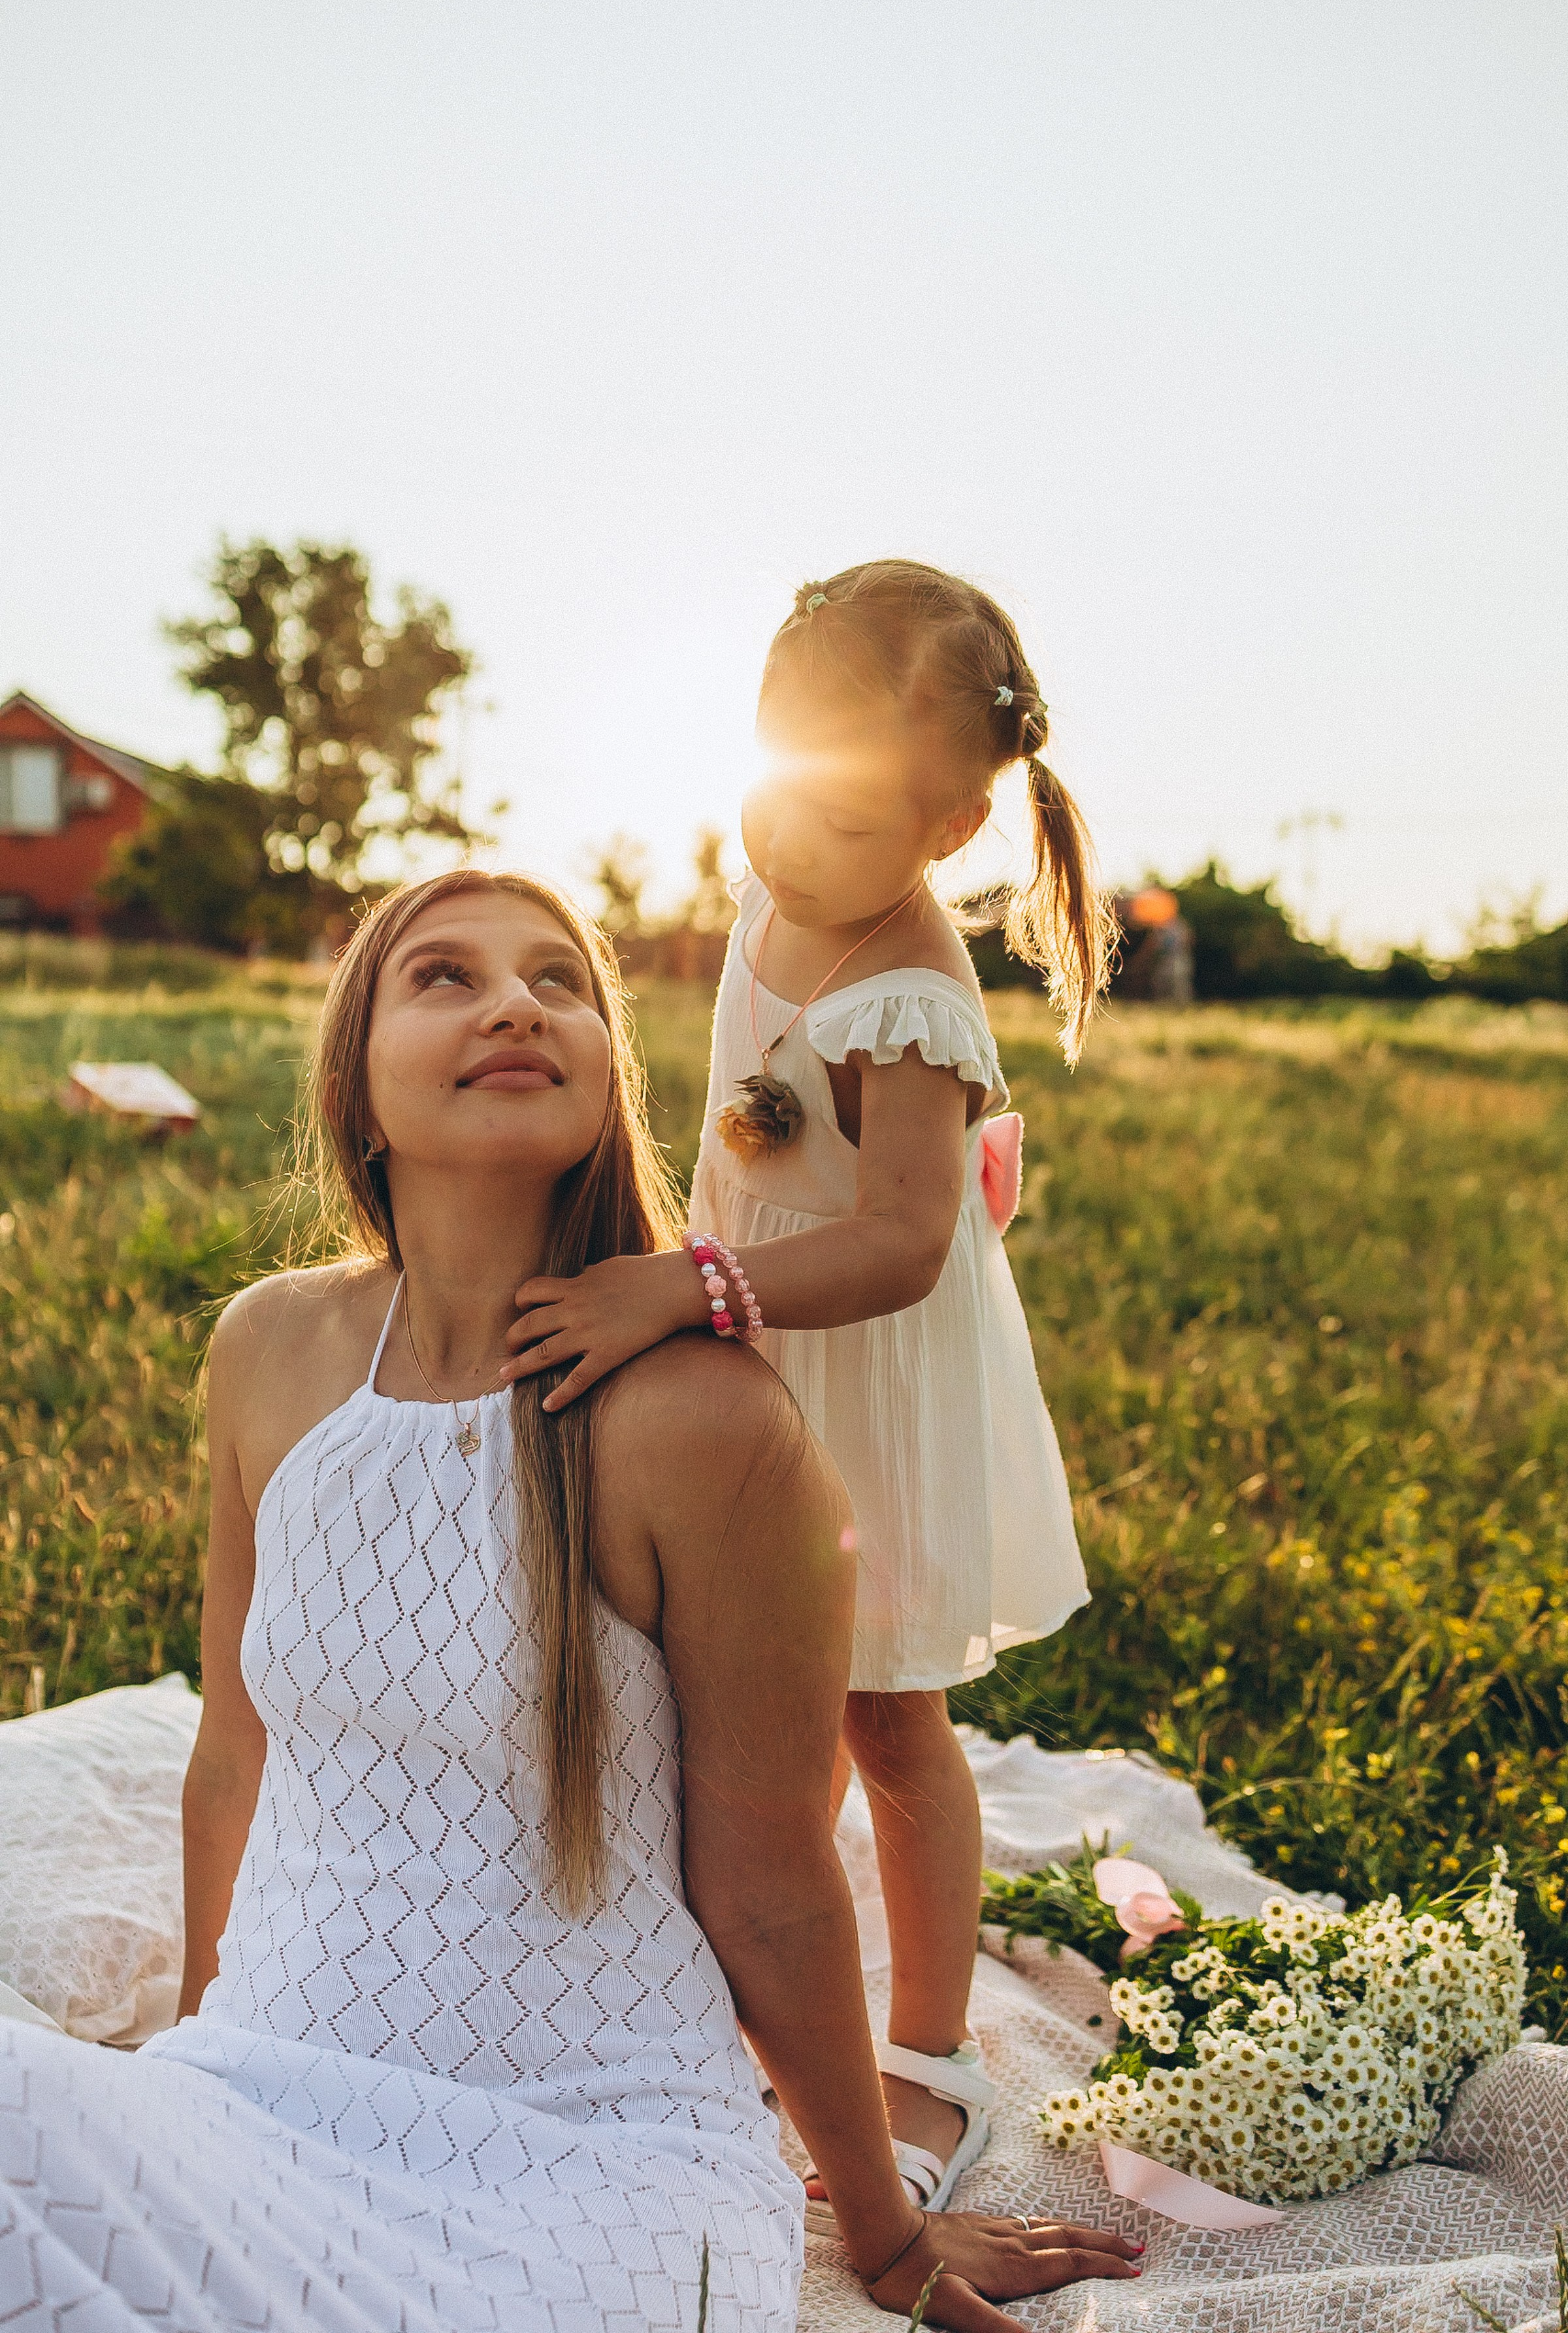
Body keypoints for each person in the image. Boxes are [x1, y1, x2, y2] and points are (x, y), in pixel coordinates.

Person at [0, 869, 1139, 2330]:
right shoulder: (269, 1350)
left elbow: (774, 1887)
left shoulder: (702, 1423)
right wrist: (195, 2068)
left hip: (585, 2167)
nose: (513, 1005)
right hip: (259, 2092)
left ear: (609, 1083)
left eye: (558, 982)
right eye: (445, 978)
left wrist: (885, 2235)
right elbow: (235, 1756)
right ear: (355, 1086)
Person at [502, 562, 1113, 2231]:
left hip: (865, 1383)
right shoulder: (780, 893)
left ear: (947, 833)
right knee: (761, 1704)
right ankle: (771, 1991)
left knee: (887, 1719)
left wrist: (695, 1288)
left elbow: (909, 1240)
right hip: (755, 1346)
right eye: (781, 791)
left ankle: (925, 2050)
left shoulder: (911, 992)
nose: (789, 846)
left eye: (848, 829)